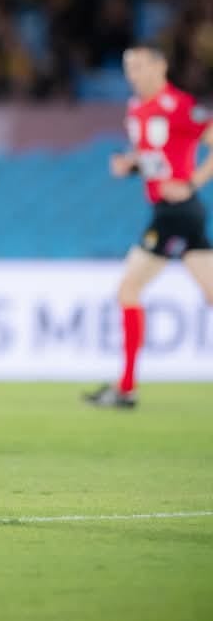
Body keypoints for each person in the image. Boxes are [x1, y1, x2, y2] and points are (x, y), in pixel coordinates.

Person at [85, 45, 213, 408]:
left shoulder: (179, 105)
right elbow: (157, 159)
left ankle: (126, 388)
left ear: (161, 67)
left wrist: (191, 182)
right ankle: (125, 387)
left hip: (176, 211)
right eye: (129, 67)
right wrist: (131, 165)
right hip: (177, 212)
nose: (133, 74)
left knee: (128, 290)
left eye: (139, 66)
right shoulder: (137, 109)